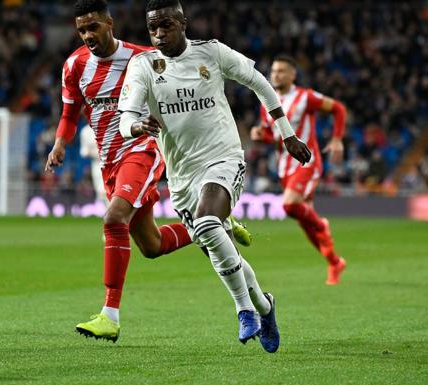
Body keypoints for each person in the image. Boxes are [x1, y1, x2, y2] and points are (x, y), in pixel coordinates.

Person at [118, 0, 312, 353]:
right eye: (153, 28)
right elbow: (125, 117)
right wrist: (136, 125)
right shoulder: (143, 66)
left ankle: (243, 311)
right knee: (221, 252)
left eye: (166, 25)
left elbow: (259, 83)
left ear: (183, 22)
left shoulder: (212, 53)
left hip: (223, 159)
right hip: (180, 177)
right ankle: (264, 306)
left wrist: (287, 133)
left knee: (208, 223)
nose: (159, 34)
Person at [45, 0, 195, 343]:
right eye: (82, 30)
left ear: (109, 23)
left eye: (93, 27)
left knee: (114, 219)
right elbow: (70, 115)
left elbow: (181, 95)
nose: (87, 35)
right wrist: (60, 144)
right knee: (152, 245)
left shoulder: (144, 59)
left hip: (142, 150)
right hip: (109, 162)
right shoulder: (73, 66)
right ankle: (211, 225)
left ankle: (109, 315)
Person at [250, 55, 347, 285]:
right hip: (284, 168)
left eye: (282, 71)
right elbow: (272, 136)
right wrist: (259, 135)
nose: (276, 75)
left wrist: (336, 139)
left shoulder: (306, 97)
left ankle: (323, 225)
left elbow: (338, 109)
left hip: (307, 163)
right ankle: (334, 262)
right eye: (274, 71)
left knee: (290, 204)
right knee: (306, 224)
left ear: (293, 74)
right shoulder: (267, 102)